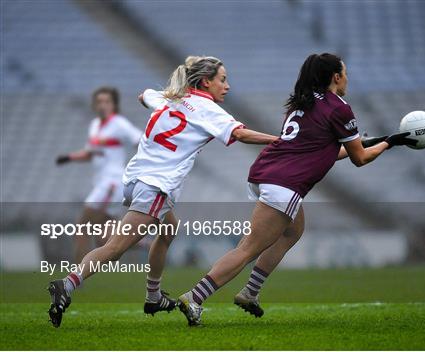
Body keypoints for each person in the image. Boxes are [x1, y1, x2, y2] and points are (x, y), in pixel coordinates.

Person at [177, 53, 417, 326]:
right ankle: (194, 297)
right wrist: (389, 143)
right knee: (247, 248)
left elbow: (322, 152)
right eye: (345, 72)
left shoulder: (301, 101)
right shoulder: (339, 108)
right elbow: (359, 158)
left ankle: (250, 292)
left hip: (264, 172)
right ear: (336, 77)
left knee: (293, 229)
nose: (347, 78)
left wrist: (378, 141)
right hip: (284, 184)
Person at [47, 56, 277, 328]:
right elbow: (240, 134)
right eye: (222, 80)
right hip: (155, 186)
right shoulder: (207, 108)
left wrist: (156, 97)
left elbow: (144, 95)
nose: (227, 86)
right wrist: (279, 140)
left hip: (135, 179)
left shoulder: (170, 98)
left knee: (169, 229)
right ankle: (67, 284)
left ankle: (153, 296)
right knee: (116, 248)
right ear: (206, 81)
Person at [56, 87, 142, 262]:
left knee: (82, 228)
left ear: (114, 105)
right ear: (94, 105)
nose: (102, 105)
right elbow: (90, 153)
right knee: (105, 239)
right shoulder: (95, 125)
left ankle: (75, 280)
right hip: (104, 183)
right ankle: (147, 242)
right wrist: (68, 157)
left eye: (107, 101)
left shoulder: (119, 123)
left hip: (112, 184)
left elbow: (140, 141)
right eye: (99, 102)